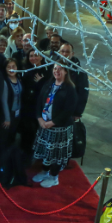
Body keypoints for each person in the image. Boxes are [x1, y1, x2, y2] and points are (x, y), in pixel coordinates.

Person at [32, 60, 78, 188]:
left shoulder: (70, 88)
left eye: (60, 69)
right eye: (55, 68)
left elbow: (68, 110)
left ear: (65, 71)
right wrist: (39, 118)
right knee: (46, 151)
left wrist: (53, 122)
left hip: (59, 128)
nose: (56, 71)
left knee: (57, 154)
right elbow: (40, 101)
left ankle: (54, 177)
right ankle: (45, 171)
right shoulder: (49, 84)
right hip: (45, 125)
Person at [21, 49, 50, 153]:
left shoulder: (47, 71)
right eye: (31, 56)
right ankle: (26, 149)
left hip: (40, 105)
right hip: (27, 104)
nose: (33, 58)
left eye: (36, 55)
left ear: (41, 57)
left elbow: (48, 88)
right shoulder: (26, 70)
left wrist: (40, 82)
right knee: (27, 129)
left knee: (38, 129)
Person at [57, 43, 89, 121]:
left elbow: (83, 93)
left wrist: (78, 113)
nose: (64, 54)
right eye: (62, 51)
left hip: (69, 108)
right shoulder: (54, 66)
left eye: (67, 52)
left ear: (72, 53)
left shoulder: (80, 72)